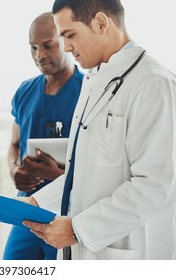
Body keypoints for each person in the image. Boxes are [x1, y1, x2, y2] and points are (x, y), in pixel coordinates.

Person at [23, 0, 176, 260]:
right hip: (85, 250)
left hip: (127, 252)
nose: (67, 46)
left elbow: (157, 187)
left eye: (70, 35)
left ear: (101, 23)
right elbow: (81, 172)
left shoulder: (154, 84)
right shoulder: (95, 80)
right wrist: (37, 202)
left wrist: (78, 230)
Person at [3, 12, 83, 260]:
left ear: (65, 42)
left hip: (65, 212)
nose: (40, 55)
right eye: (33, 48)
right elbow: (14, 145)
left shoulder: (88, 92)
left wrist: (56, 175)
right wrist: (15, 170)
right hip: (27, 207)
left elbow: (96, 168)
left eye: (48, 46)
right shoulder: (25, 91)